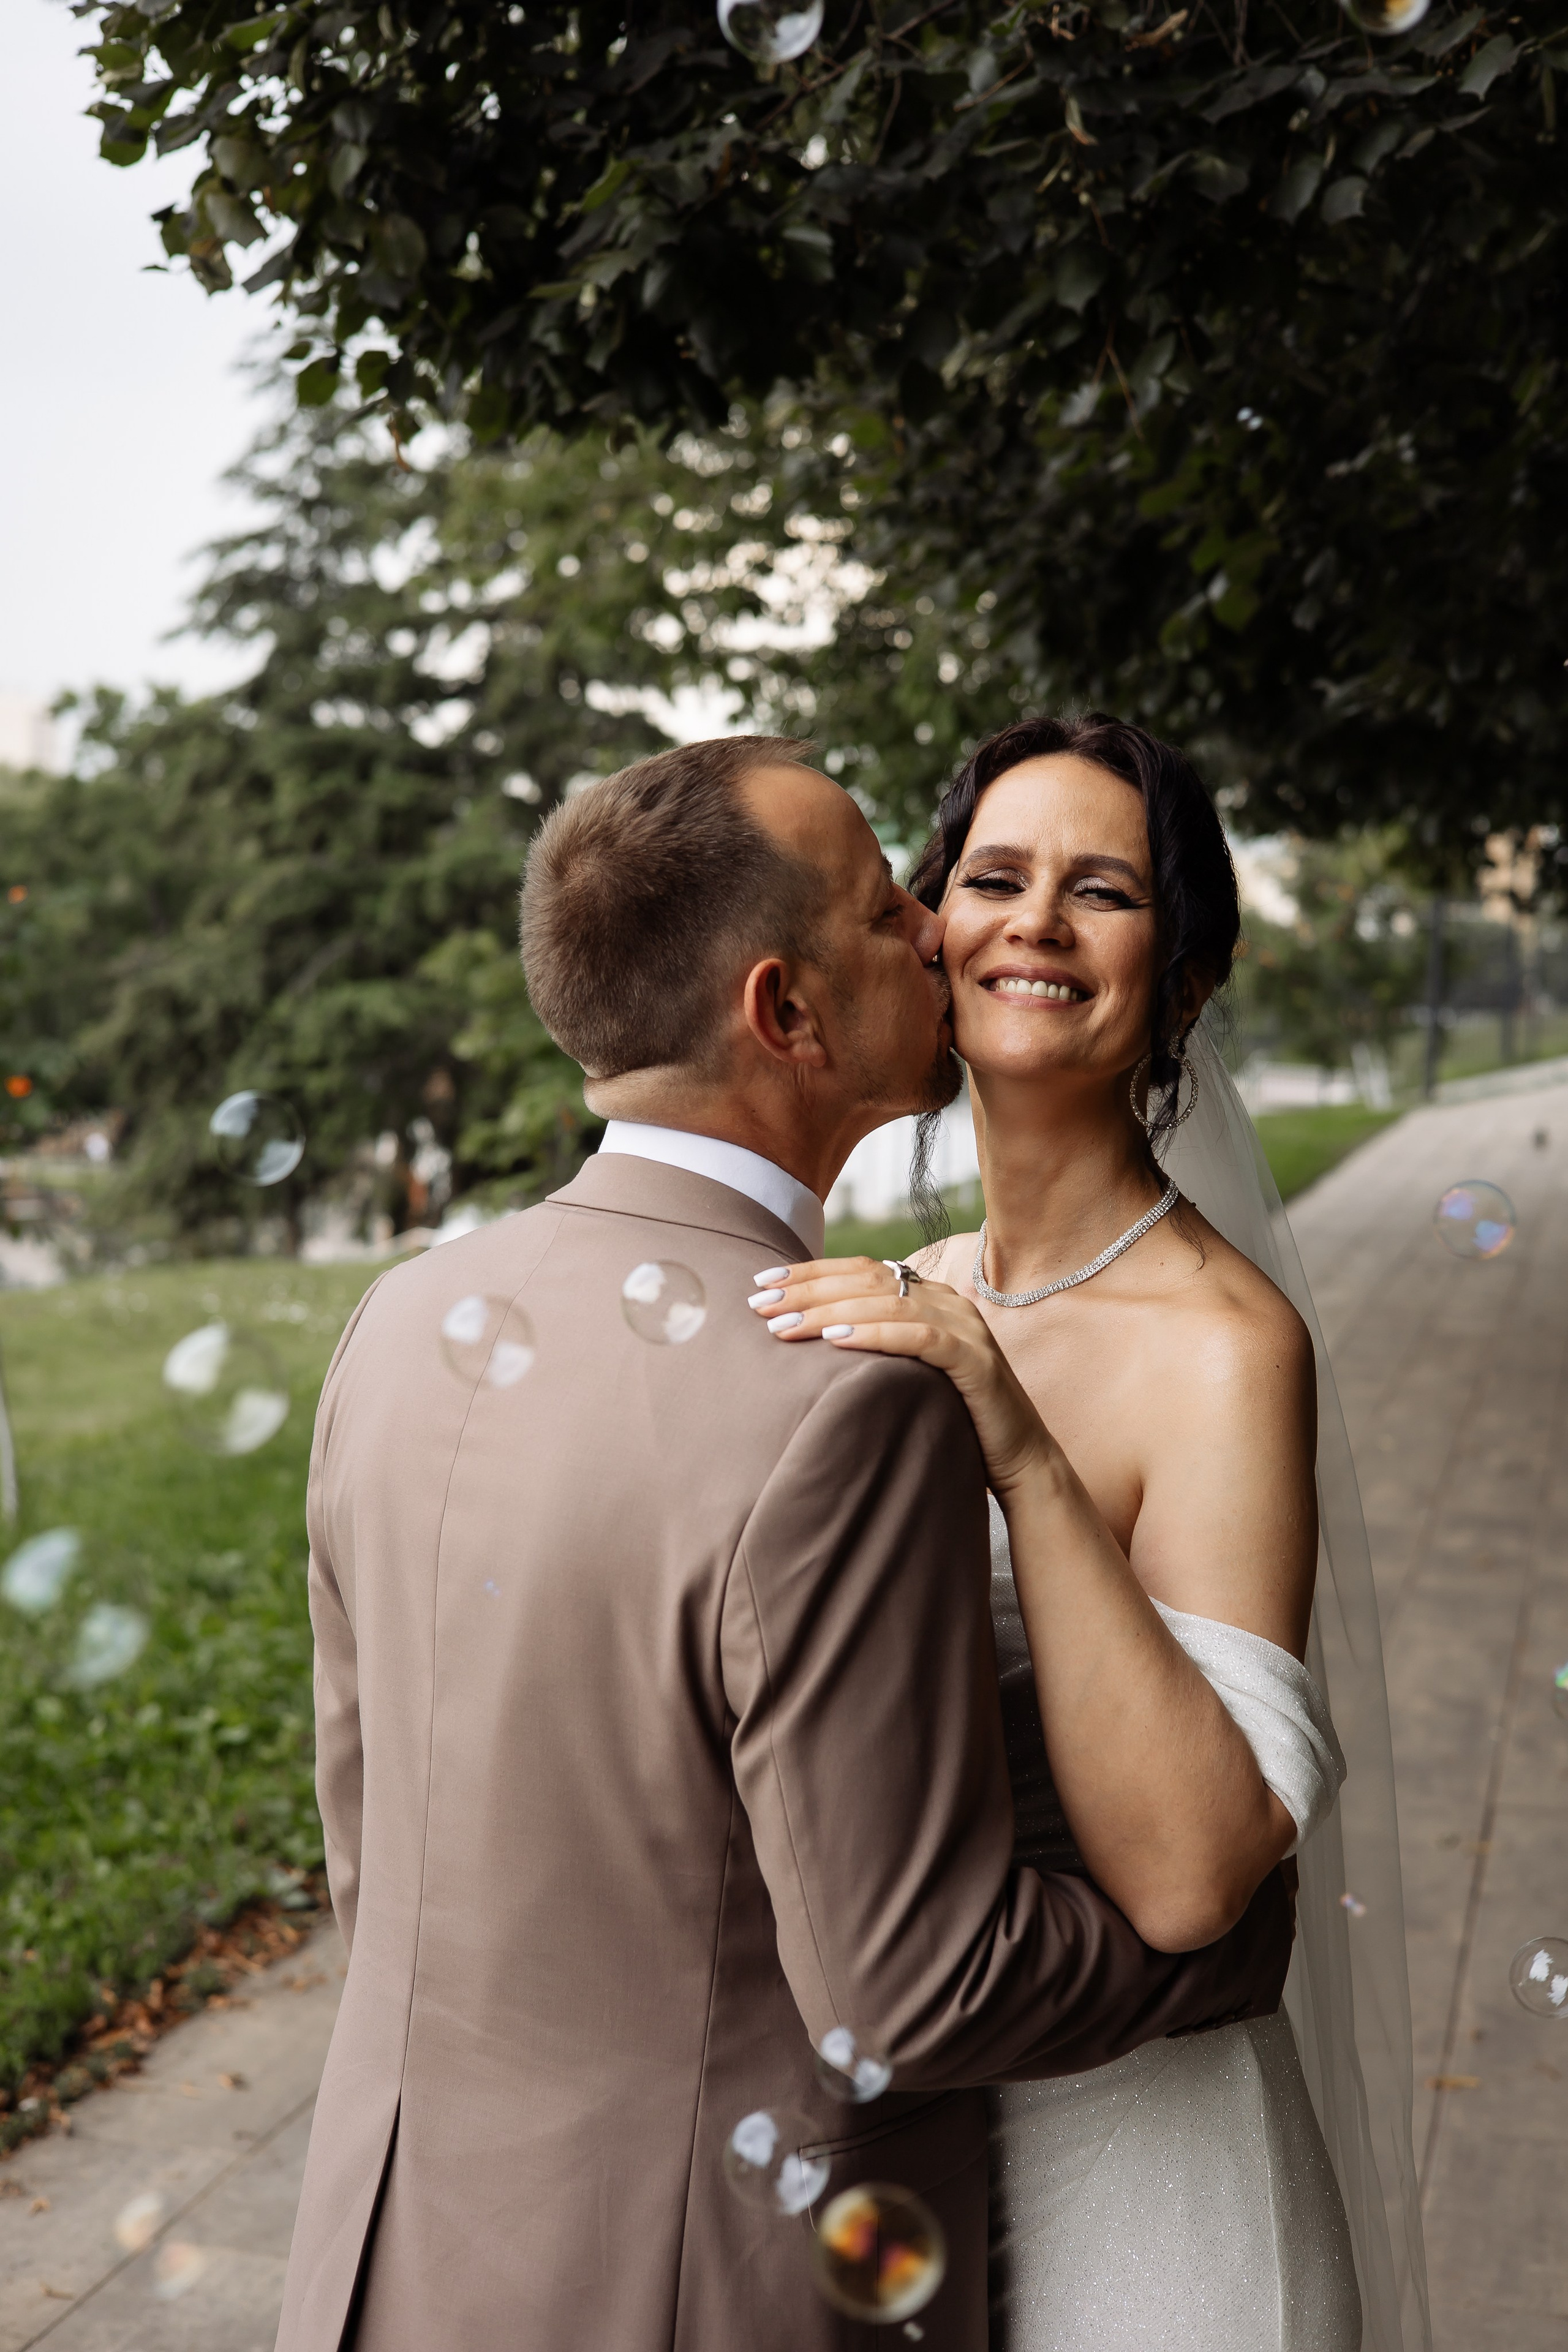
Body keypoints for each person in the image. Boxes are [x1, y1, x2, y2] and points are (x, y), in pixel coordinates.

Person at [274, 734, 1294, 2352]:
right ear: (786, 1011)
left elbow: (367, 1850)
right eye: (893, 907)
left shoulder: (394, 1328)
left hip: (400, 2260)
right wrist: (1225, 1960)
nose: (940, 930)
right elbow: (911, 1991)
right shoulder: (846, 1404)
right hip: (713, 2286)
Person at [748, 714, 1430, 2351]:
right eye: (994, 877)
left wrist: (1023, 1450)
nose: (1036, 923)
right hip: (915, 2162)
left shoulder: (1222, 1342)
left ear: (1185, 978)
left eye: (1103, 890)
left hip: (1151, 2191)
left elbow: (1197, 1877)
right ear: (930, 935)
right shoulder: (905, 1291)